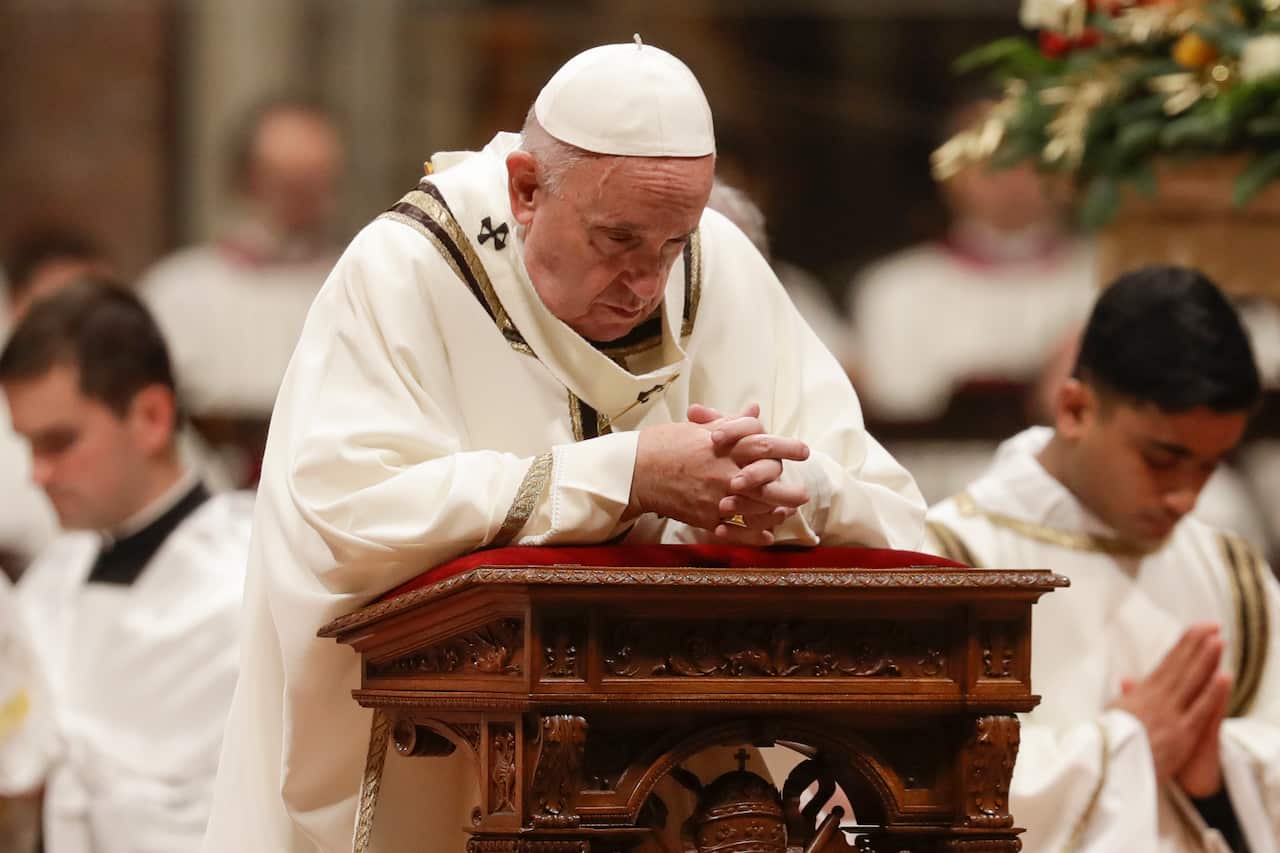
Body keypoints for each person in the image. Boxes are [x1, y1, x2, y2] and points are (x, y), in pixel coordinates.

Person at [204, 40, 926, 853]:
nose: (648, 283)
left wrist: (785, 493)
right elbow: (342, 512)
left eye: (672, 244)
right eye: (618, 241)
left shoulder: (716, 263)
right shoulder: (408, 270)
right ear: (524, 189)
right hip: (445, 779)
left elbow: (892, 511)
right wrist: (626, 475)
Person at [926, 266, 1280, 852]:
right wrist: (1127, 745)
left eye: (1208, 466)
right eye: (1163, 459)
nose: (1186, 497)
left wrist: (1221, 771)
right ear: (1074, 409)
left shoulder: (1232, 571)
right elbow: (918, 783)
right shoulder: (952, 561)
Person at [0, 280, 254, 852]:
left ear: (151, 416)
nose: (36, 474)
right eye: (27, 446)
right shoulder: (53, 576)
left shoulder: (246, 580)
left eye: (58, 442)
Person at [849, 91, 1096, 423]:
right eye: (990, 158)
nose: (1011, 177)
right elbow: (896, 406)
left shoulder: (1101, 279)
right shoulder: (896, 288)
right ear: (949, 172)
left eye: (1030, 160)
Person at [138, 97, 346, 481]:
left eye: (314, 183)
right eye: (283, 181)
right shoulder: (178, 291)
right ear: (244, 180)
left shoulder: (357, 283)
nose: (300, 201)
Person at [0, 229, 109, 580]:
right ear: (16, 306)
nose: (80, 331)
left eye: (96, 310)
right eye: (59, 307)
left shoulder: (131, 404)